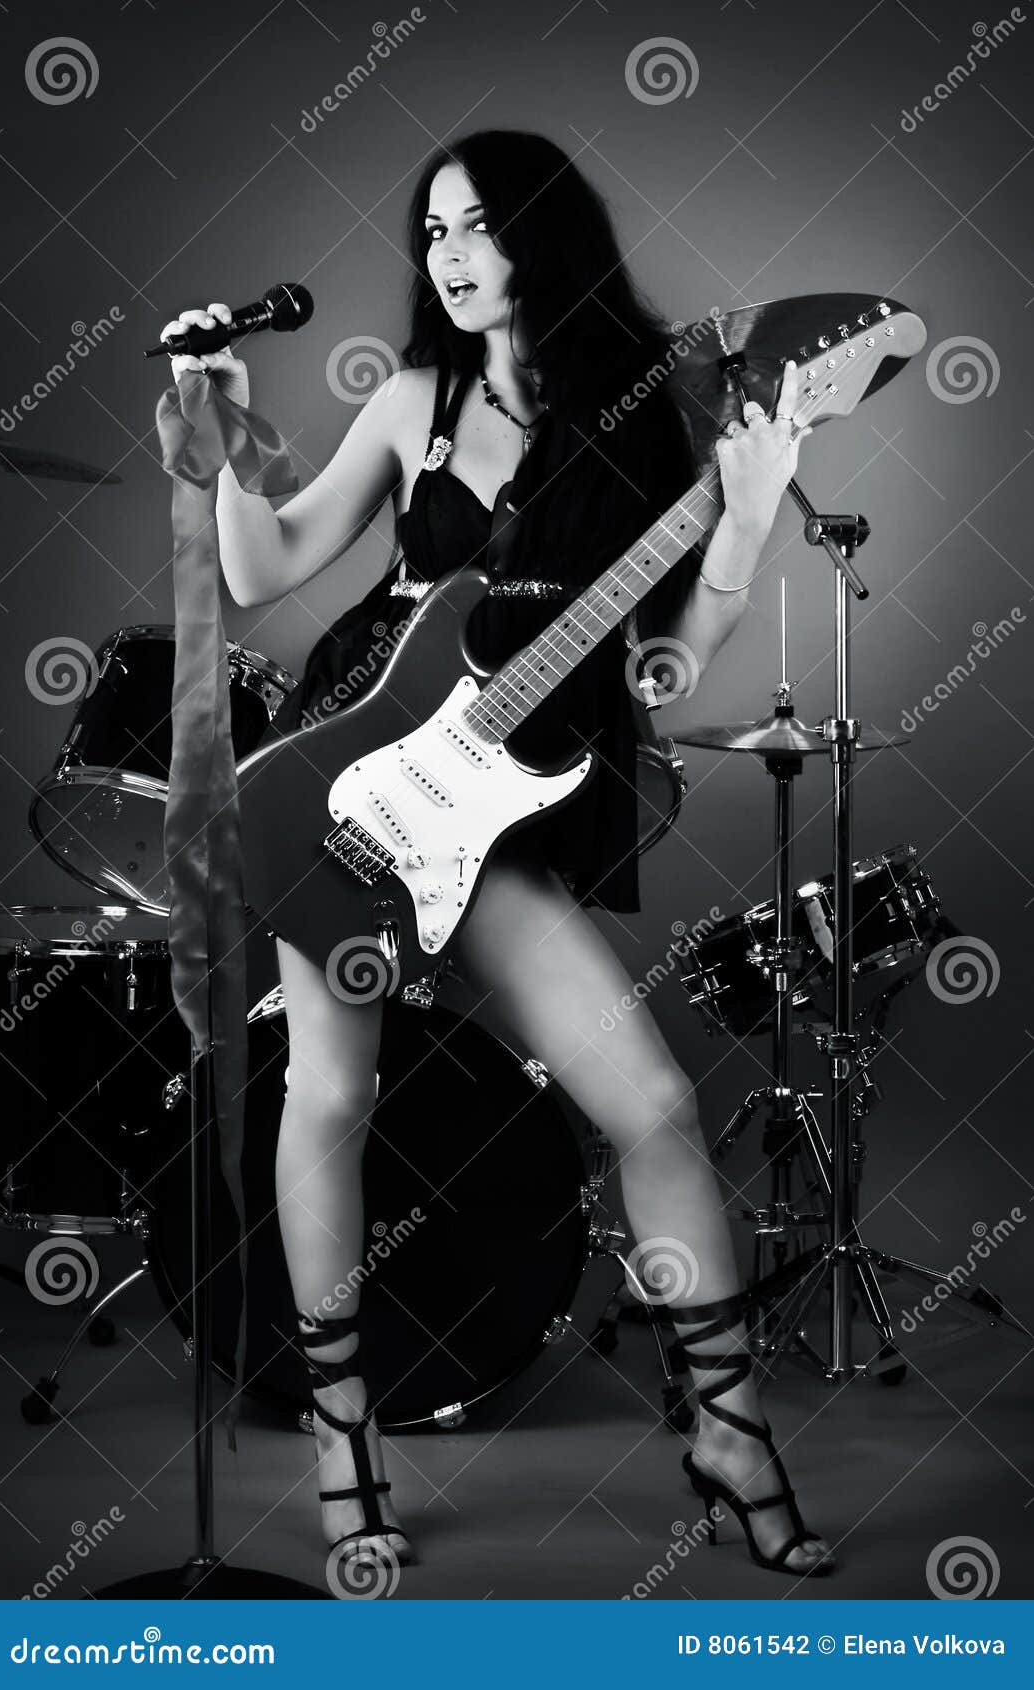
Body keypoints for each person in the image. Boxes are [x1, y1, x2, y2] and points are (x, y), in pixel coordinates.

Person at [161, 128, 831, 1580]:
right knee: (333, 1090)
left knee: (654, 1107)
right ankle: (344, 1436)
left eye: (479, 226)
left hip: (500, 813)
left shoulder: (647, 412)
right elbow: (262, 568)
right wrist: (219, 432)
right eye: (433, 232)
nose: (450, 256)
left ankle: (728, 1432)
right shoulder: (417, 398)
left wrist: (745, 523)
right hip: (345, 787)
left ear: (547, 233)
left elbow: (664, 671)